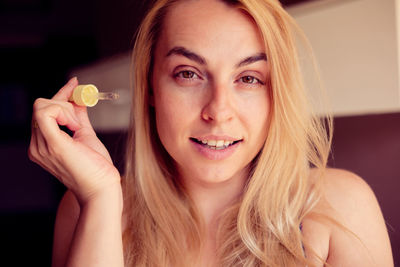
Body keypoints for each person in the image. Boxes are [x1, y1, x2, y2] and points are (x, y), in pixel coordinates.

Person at [28, 0, 393, 266]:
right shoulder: (85, 207)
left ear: (276, 93)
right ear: (150, 87)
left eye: (249, 78)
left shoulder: (339, 209)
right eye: (188, 73)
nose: (218, 112)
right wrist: (101, 198)